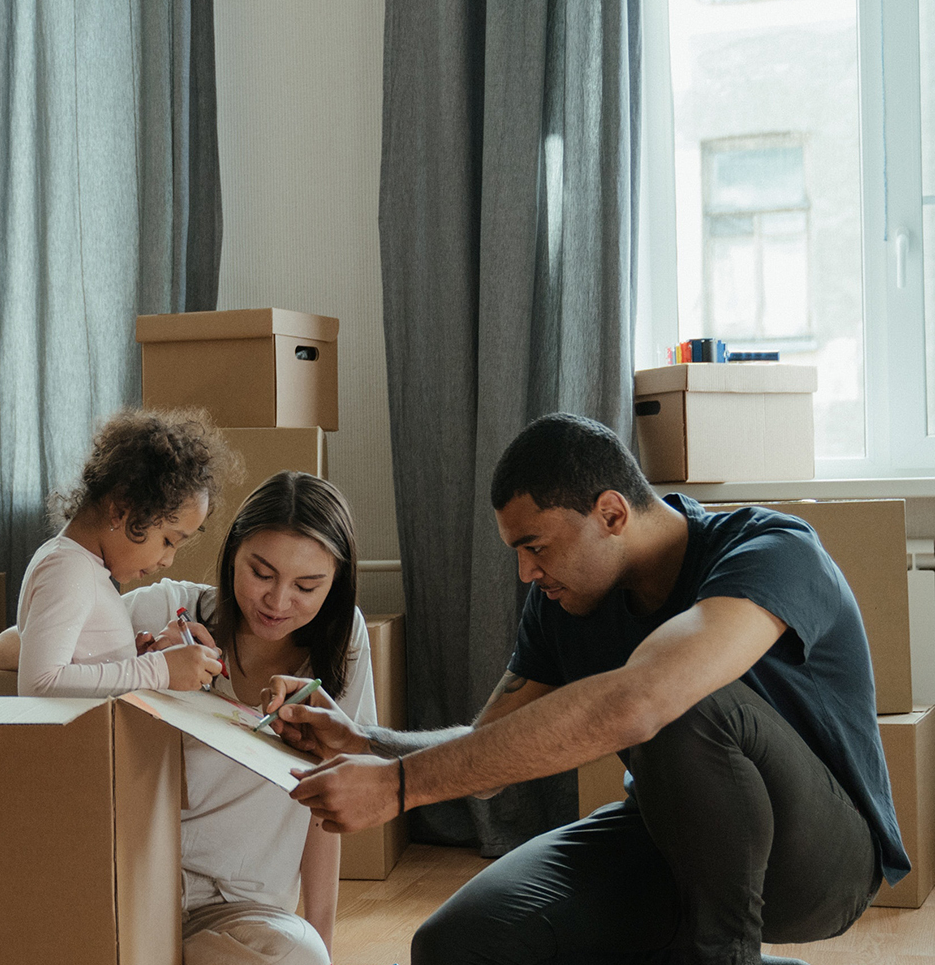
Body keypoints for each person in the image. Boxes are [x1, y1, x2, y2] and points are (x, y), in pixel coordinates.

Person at [265, 413, 906, 965]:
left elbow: (644, 701)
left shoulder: (772, 549)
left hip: (820, 862)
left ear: (611, 512)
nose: (525, 571)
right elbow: (488, 753)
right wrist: (372, 744)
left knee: (682, 702)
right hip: (663, 836)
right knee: (457, 944)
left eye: (535, 546)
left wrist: (399, 789)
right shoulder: (564, 602)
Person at [0, 471, 376, 965]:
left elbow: (329, 797)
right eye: (260, 573)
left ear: (335, 588)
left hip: (243, 912)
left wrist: (324, 940)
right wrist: (137, 660)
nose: (278, 602)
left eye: (307, 586)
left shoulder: (344, 645)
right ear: (232, 554)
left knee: (301, 958)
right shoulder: (169, 607)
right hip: (135, 887)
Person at [14, 407, 230, 697]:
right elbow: (40, 683)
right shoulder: (68, 569)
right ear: (120, 510)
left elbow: (81, 671)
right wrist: (158, 669)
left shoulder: (83, 567)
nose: (168, 560)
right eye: (168, 541)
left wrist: (131, 662)